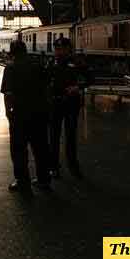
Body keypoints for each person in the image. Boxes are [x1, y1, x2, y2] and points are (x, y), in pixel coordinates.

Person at [1, 40, 51, 193]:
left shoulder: (10, 68)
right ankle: (43, 179)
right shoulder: (38, 65)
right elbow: (47, 87)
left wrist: (8, 112)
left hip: (19, 114)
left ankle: (22, 181)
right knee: (41, 147)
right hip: (39, 113)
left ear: (12, 52)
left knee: (18, 149)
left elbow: (8, 93)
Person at [47, 37, 83, 179]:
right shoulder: (51, 63)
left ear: (68, 49)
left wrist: (77, 87)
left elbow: (89, 77)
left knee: (70, 136)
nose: (58, 51)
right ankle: (54, 167)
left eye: (61, 48)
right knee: (53, 137)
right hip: (55, 104)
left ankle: (73, 165)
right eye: (56, 49)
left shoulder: (77, 62)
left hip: (71, 103)